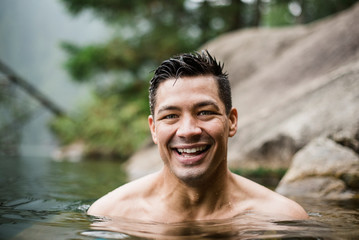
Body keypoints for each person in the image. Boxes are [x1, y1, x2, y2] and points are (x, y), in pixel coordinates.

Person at [87, 50, 308, 222]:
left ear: (231, 122)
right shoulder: (110, 215)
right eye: (171, 115)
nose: (188, 131)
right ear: (154, 129)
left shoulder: (281, 218)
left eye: (204, 112)